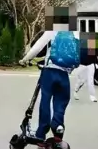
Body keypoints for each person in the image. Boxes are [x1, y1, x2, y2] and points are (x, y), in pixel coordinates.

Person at [18, 9, 79, 141]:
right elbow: (79, 53)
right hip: (64, 74)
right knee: (61, 101)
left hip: (50, 71)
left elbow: (38, 47)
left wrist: (25, 59)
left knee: (45, 99)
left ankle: (41, 132)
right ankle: (58, 126)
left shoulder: (53, 30)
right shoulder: (75, 33)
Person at [73, 35, 98, 103]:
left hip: (90, 65)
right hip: (82, 65)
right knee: (81, 80)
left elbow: (97, 55)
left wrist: (97, 64)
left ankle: (92, 96)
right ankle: (75, 91)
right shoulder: (81, 43)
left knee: (90, 81)